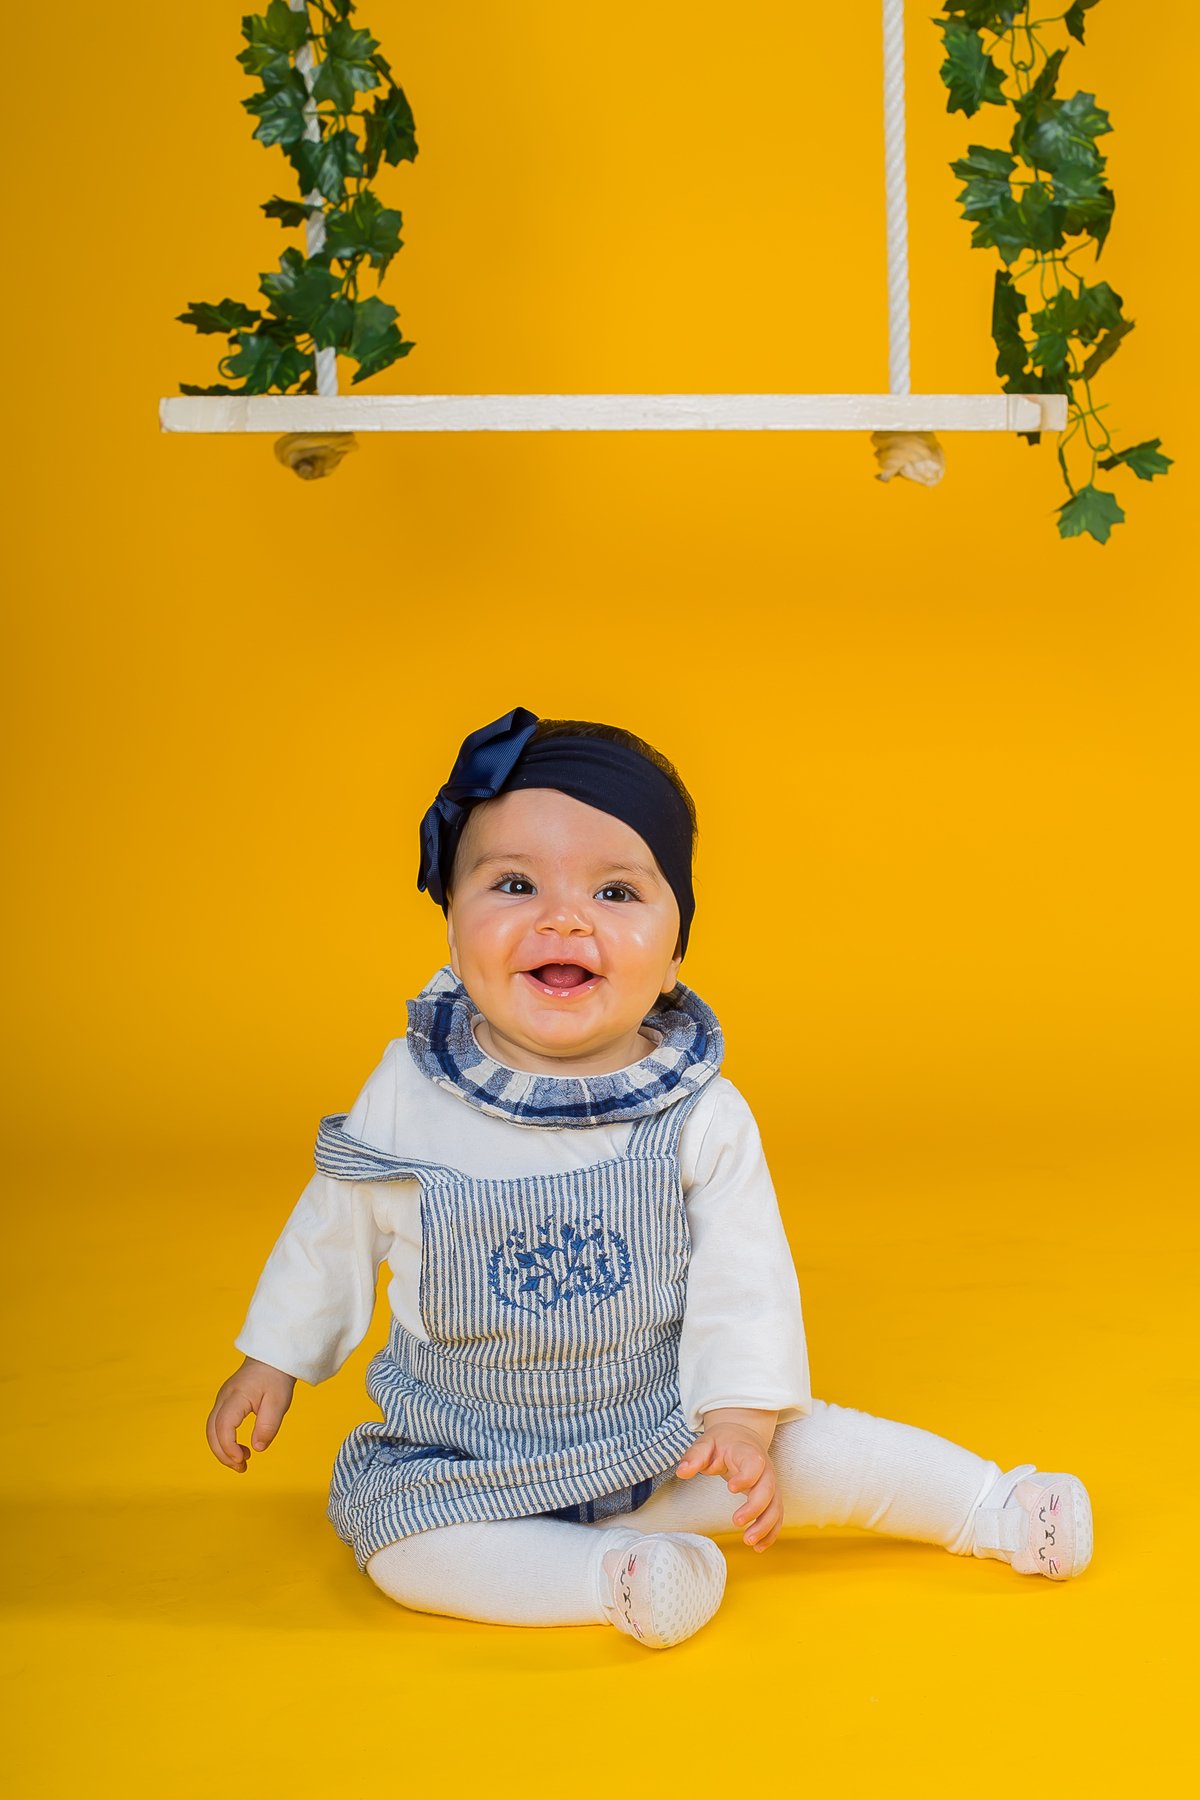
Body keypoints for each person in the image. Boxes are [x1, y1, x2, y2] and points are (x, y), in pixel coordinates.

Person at [206, 708, 1092, 1650]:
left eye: (617, 893)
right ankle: (620, 1576)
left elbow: (741, 1278)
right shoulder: (408, 1091)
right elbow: (334, 1226)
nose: (563, 917)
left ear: (675, 949)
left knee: (817, 1449)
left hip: (667, 1438)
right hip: (466, 1454)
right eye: (513, 884)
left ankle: (994, 1507)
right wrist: (275, 1357)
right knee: (401, 1545)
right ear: (453, 924)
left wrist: (740, 1423)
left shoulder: (695, 1112)